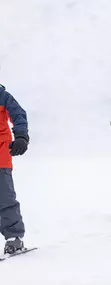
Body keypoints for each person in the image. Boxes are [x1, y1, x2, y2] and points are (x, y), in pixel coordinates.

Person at [0, 84, 29, 254]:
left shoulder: (2, 96)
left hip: (1, 156)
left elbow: (18, 114)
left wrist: (21, 136)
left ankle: (14, 237)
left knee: (5, 197)